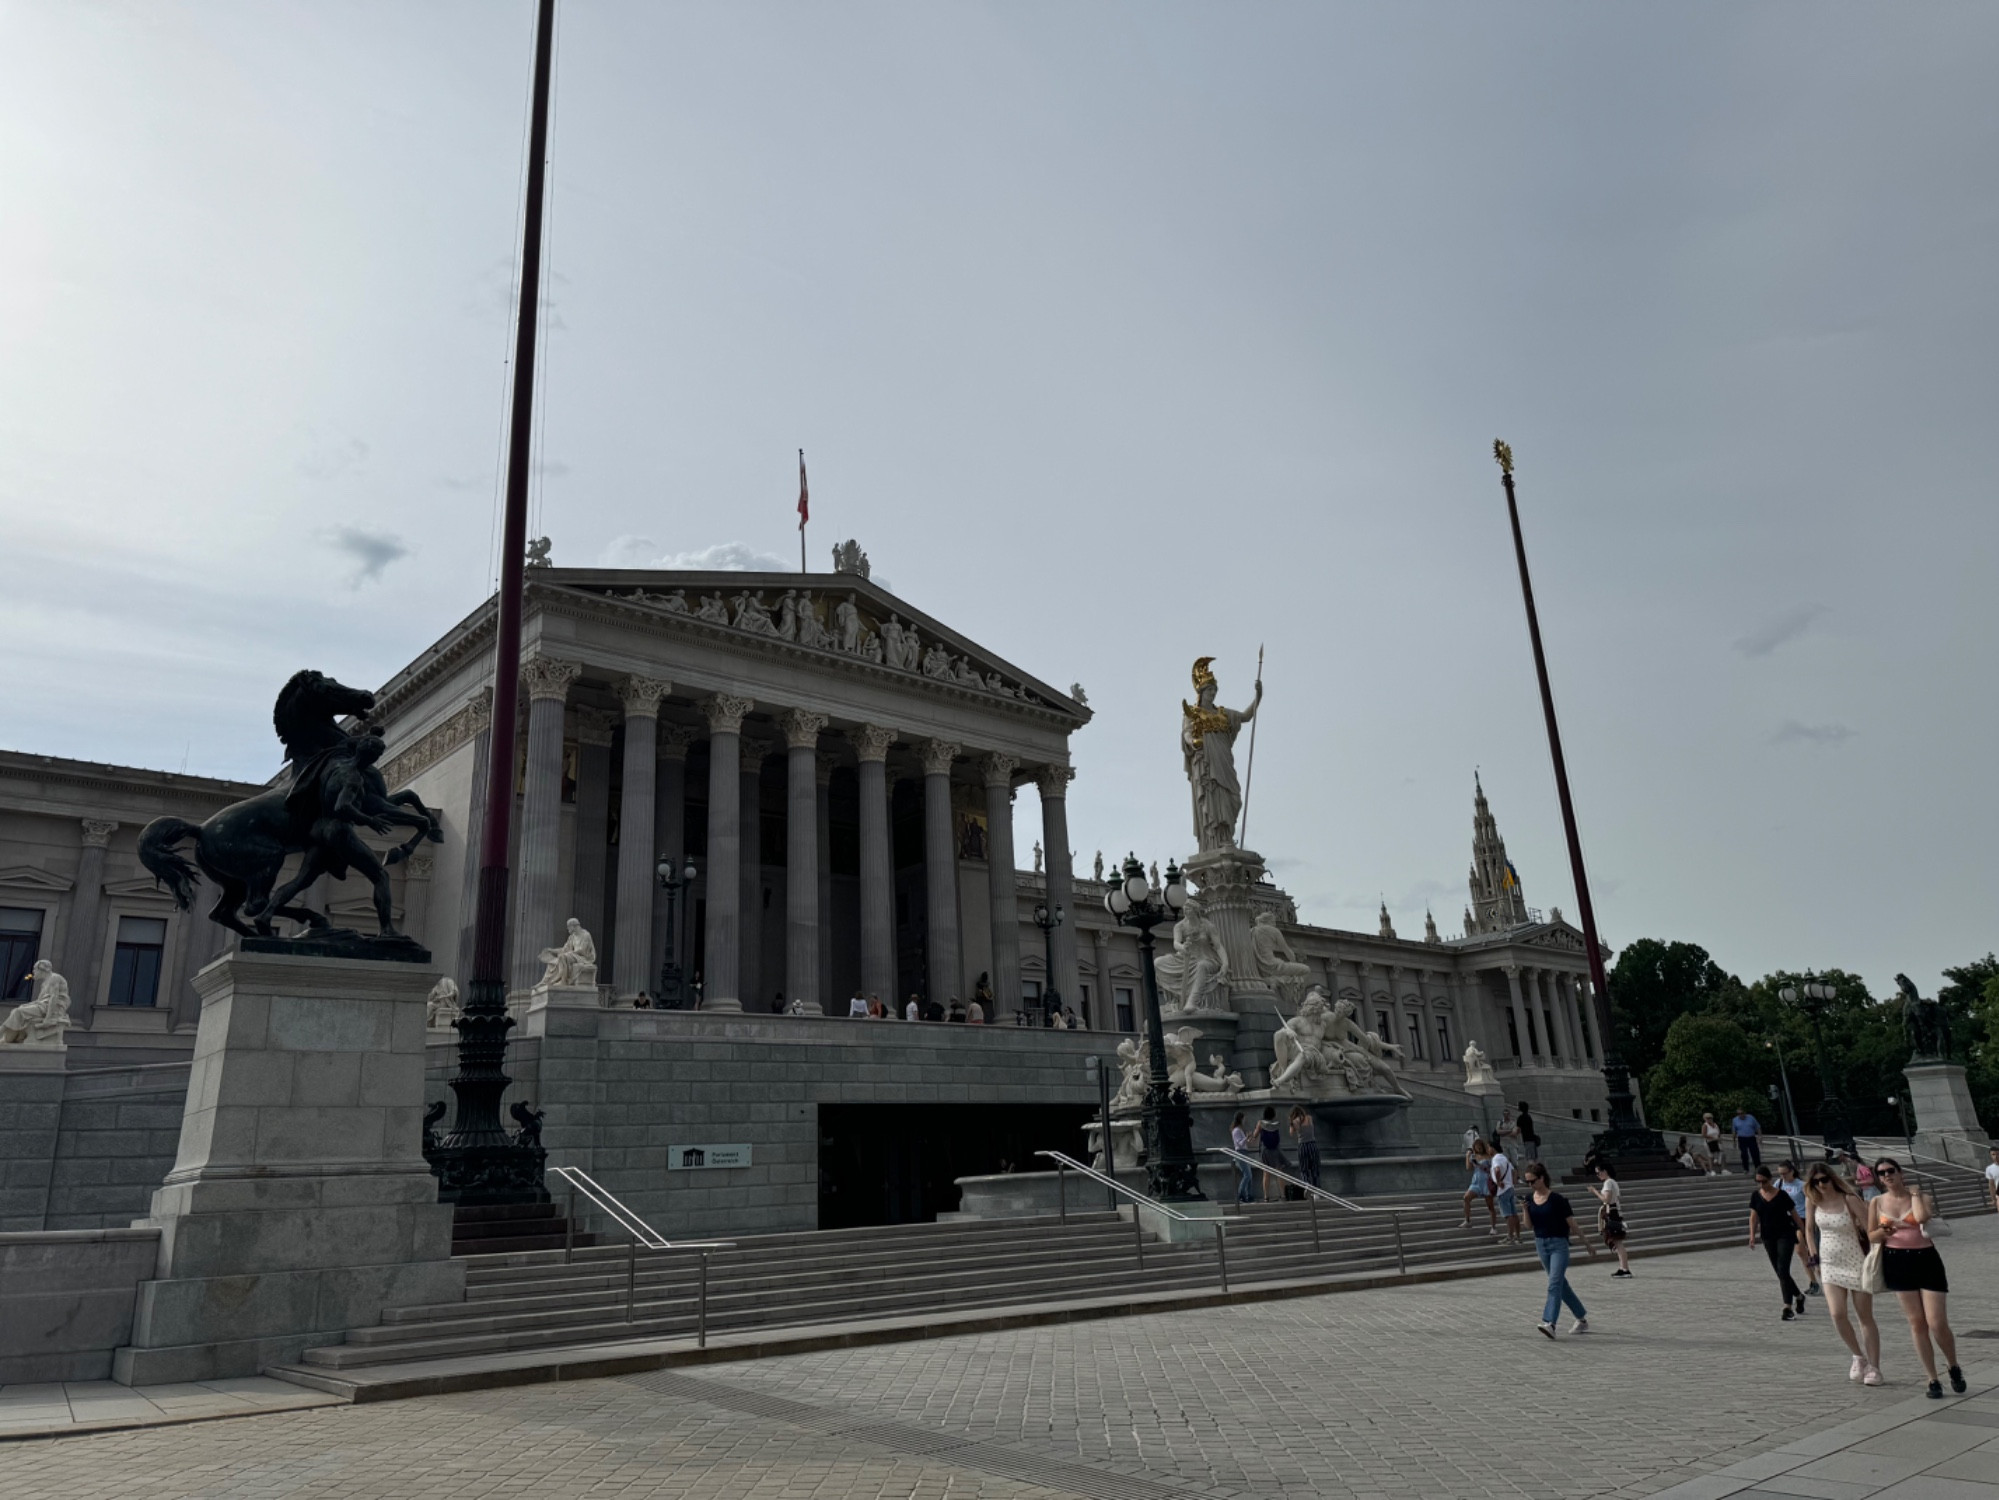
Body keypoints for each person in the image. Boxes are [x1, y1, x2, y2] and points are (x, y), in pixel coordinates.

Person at [1868, 1157, 1964, 1398]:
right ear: (1878, 1178)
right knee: (1916, 1323)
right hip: (1896, 1261)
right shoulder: (1876, 1202)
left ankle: (1953, 1365)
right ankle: (1932, 1378)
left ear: (1901, 1173)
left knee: (1936, 1322)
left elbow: (1921, 1218)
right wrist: (1883, 1231)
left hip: (1926, 1259)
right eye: (1881, 1173)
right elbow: (1871, 1235)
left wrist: (1915, 1194)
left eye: (1891, 1171)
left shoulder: (1920, 1197)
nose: (1887, 1176)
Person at [1803, 1162, 1882, 1386]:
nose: (1821, 1185)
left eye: (1824, 1180)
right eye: (1815, 1182)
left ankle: (1875, 1367)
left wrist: (1876, 1254)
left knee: (1864, 1316)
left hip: (1855, 1260)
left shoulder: (1849, 1198)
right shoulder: (1813, 1200)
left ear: (1832, 1179)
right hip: (1828, 1262)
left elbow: (1869, 1227)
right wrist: (1813, 1257)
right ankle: (1858, 1355)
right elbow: (1809, 1230)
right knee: (1837, 1313)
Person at [1522, 1160, 1594, 1337]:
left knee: (1554, 1283)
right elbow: (1528, 1226)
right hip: (1541, 1244)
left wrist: (1587, 1244)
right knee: (1561, 1285)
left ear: (1542, 1178)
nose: (1530, 1185)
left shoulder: (1557, 1199)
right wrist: (1524, 1209)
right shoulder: (1530, 1200)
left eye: (1533, 1181)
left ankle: (1549, 1323)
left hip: (1559, 1245)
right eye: (1527, 1182)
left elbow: (1573, 1224)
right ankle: (1581, 1318)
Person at [1748, 1166, 1808, 1320]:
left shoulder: (1781, 1195)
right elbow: (1754, 1217)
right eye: (1758, 1182)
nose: (1762, 1185)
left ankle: (1787, 1307)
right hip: (1768, 1236)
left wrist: (1803, 1231)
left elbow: (1794, 1214)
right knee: (1780, 1271)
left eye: (1764, 1181)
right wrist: (1752, 1236)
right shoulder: (1756, 1196)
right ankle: (1798, 1296)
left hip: (1785, 1234)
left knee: (1783, 1268)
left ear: (1770, 1179)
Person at [1777, 1161, 1819, 1295]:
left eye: (1785, 1173)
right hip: (1787, 1221)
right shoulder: (1778, 1184)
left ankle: (1819, 1277)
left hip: (1803, 1218)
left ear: (1792, 1171)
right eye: (1780, 1174)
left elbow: (1813, 1202)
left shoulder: (1801, 1185)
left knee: (1809, 1251)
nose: (1783, 1176)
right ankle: (1813, 1281)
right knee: (1801, 1252)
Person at [1590, 1162, 1632, 1277]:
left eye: (1599, 1173)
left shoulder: (1608, 1183)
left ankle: (1625, 1268)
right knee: (1617, 1242)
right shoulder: (1613, 1182)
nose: (1598, 1175)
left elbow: (1606, 1199)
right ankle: (1623, 1267)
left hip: (1612, 1213)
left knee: (1617, 1242)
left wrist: (1595, 1192)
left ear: (1605, 1171)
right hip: (1614, 1211)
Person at [1462, 1139, 1498, 1232]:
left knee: (1490, 1206)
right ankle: (1467, 1220)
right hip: (1476, 1182)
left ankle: (1493, 1227)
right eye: (1476, 1147)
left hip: (1487, 1182)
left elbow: (1493, 1169)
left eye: (1480, 1146)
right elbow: (1468, 1168)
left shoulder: (1489, 1156)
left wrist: (1481, 1166)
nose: (1478, 1148)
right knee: (1466, 1197)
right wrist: (1468, 1156)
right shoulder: (1474, 1156)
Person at [1489, 1143, 1521, 1244]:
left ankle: (1510, 1237)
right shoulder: (1504, 1158)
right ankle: (1518, 1237)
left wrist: (1498, 1182)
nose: (1488, 1150)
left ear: (1492, 1148)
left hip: (1503, 1190)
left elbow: (1497, 1169)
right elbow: (1514, 1170)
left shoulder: (1495, 1159)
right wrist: (1513, 1181)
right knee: (1514, 1214)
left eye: (1488, 1147)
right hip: (1510, 1188)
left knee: (1508, 1214)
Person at [1255, 1106, 1285, 1201]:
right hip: (1275, 1149)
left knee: (1266, 1173)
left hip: (1265, 1149)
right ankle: (1283, 1195)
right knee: (1279, 1172)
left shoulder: (1261, 1123)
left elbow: (1255, 1135)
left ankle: (1266, 1196)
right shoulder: (1277, 1124)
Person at [1290, 1106, 1321, 1188]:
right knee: (1315, 1168)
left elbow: (1291, 1133)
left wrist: (1292, 1123)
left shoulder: (1295, 1121)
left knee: (1304, 1169)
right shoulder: (1309, 1118)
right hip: (1312, 1145)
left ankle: (1307, 1187)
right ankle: (1316, 1190)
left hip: (1303, 1146)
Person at [1230, 1112, 1256, 1203]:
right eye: (1244, 1118)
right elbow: (1239, 1144)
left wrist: (1249, 1139)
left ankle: (1249, 1195)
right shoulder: (1236, 1130)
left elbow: (1243, 1143)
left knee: (1249, 1175)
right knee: (1247, 1175)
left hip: (1244, 1152)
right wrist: (1246, 1138)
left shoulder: (1240, 1130)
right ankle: (1240, 1194)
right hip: (1240, 1153)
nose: (1245, 1120)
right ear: (1240, 1119)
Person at [1732, 1107, 1764, 1174]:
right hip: (1742, 1138)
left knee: (1755, 1153)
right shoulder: (1735, 1120)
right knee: (1744, 1154)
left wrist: (1760, 1136)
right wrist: (1734, 1141)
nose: (1740, 1115)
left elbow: (1757, 1127)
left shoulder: (1751, 1118)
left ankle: (1758, 1168)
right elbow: (1734, 1131)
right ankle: (1745, 1169)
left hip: (1751, 1137)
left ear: (1744, 1113)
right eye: (1738, 1114)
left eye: (1741, 1113)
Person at [1984, 1146, 1999, 1214]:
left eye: (1997, 1154)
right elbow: (1991, 1185)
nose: (1996, 1156)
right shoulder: (1989, 1169)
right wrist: (1993, 1199)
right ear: (1990, 1156)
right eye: (1993, 1154)